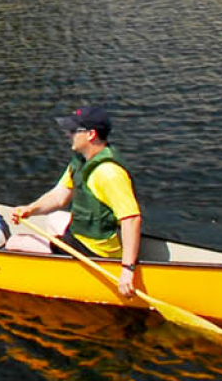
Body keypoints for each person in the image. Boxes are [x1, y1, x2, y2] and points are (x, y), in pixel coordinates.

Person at [9, 106, 143, 297]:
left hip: (94, 252)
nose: (68, 134)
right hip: (81, 236)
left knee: (14, 242)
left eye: (73, 131)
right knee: (54, 217)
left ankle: (57, 266)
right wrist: (30, 209)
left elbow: (131, 219)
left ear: (90, 134)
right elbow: (60, 196)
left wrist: (127, 270)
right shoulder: (81, 161)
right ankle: (56, 256)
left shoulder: (108, 173)